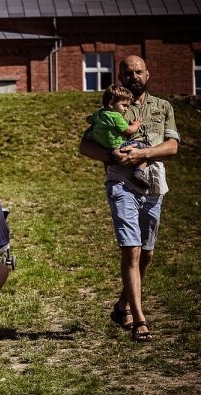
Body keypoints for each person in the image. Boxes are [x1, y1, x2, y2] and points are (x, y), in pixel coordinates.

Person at [78, 55, 180, 342]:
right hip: (121, 183)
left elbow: (172, 147)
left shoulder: (162, 107)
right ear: (120, 76)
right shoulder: (110, 108)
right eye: (127, 72)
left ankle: (121, 305)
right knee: (131, 250)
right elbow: (85, 145)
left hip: (154, 183)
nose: (133, 76)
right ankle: (139, 319)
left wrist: (143, 154)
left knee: (146, 253)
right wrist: (112, 156)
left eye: (138, 72)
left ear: (147, 75)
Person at [87, 84, 150, 189]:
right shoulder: (116, 116)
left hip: (104, 147)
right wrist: (136, 124)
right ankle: (139, 172)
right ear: (111, 103)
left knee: (108, 162)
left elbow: (89, 119)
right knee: (146, 150)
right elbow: (128, 131)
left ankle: (109, 175)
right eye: (124, 105)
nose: (126, 109)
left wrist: (90, 117)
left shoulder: (99, 113)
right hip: (120, 146)